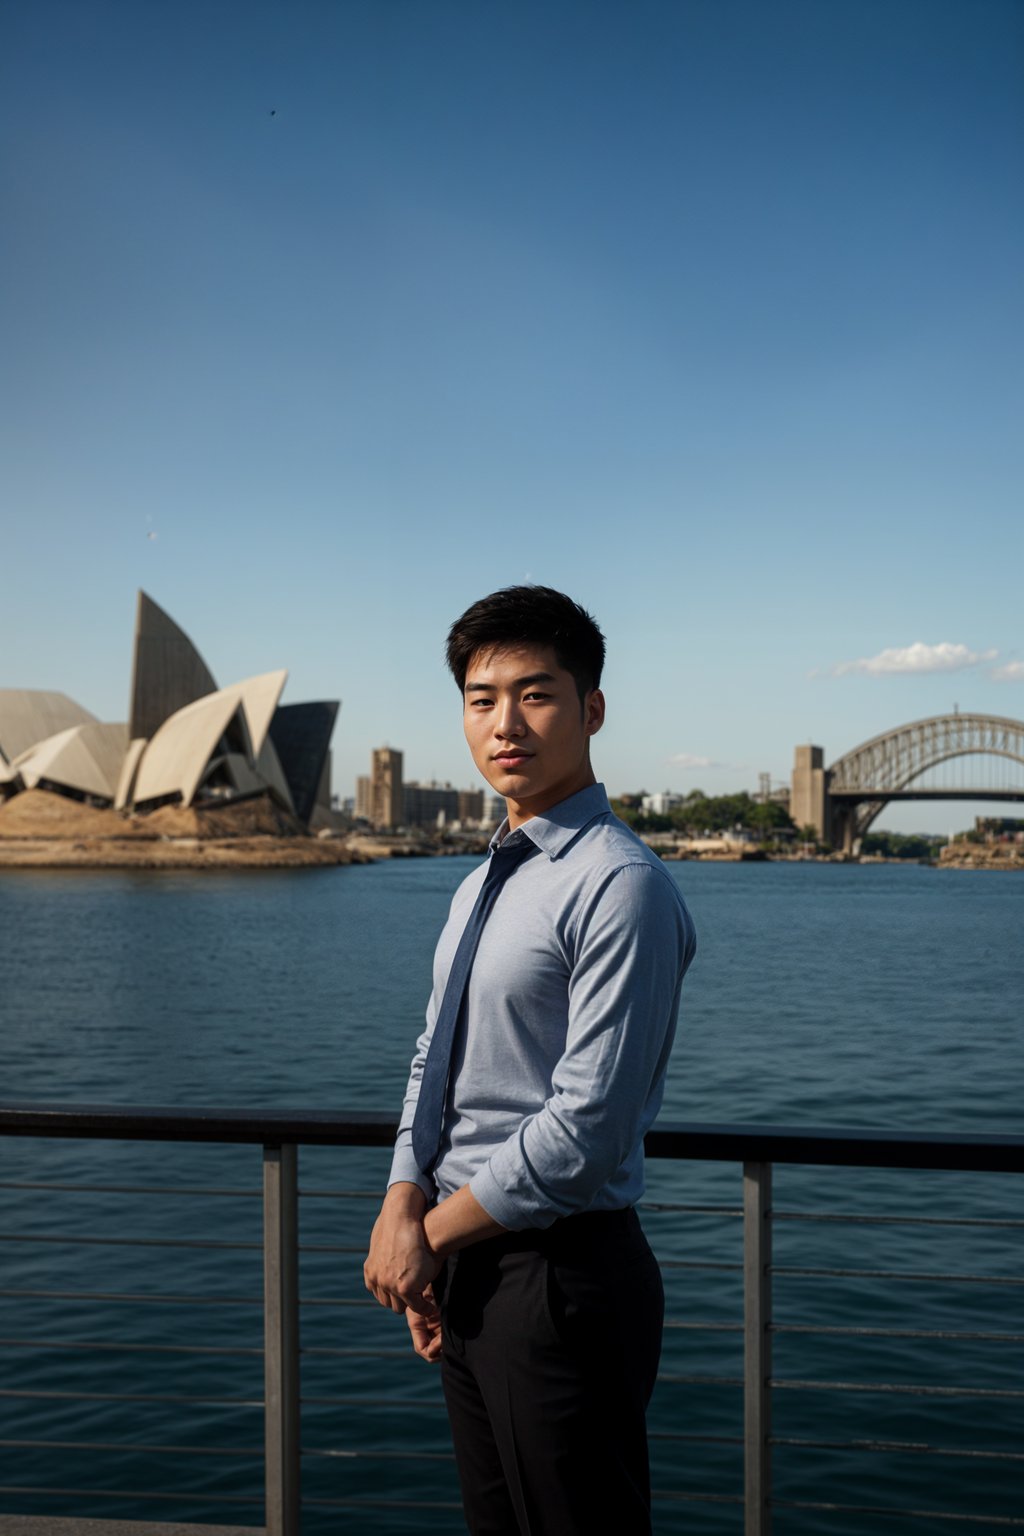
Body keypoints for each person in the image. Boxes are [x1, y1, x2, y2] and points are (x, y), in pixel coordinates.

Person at [363, 585, 696, 1535]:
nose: (505, 722)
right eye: (480, 697)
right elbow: (438, 1054)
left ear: (591, 710)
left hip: (559, 1280)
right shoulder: (483, 879)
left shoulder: (619, 886)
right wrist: (402, 1198)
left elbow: (583, 1132)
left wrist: (425, 1237)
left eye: (535, 694)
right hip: (469, 1263)